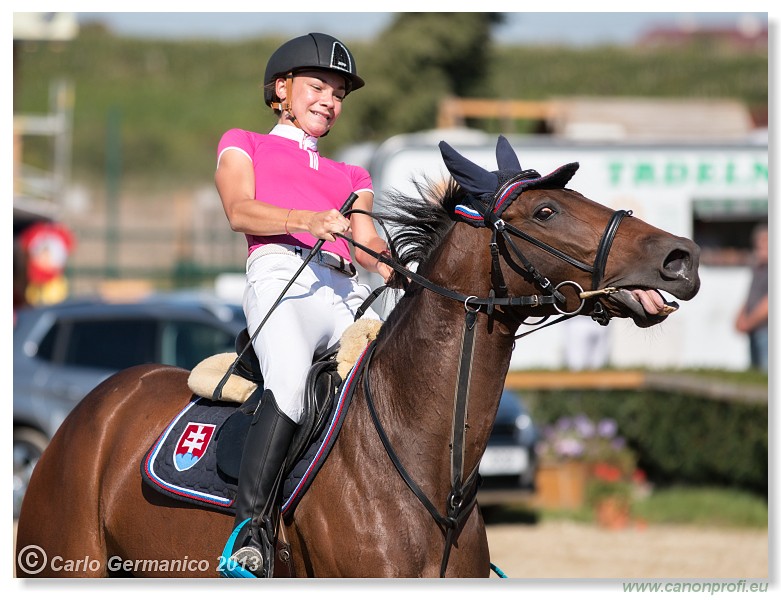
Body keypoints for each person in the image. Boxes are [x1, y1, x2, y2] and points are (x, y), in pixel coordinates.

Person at [215, 32, 393, 576]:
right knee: (290, 383)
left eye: (338, 94)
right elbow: (240, 211)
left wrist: (399, 267)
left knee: (399, 387)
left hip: (345, 291)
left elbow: (367, 246)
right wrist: (306, 221)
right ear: (281, 90)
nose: (329, 101)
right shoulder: (243, 141)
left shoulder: (352, 175)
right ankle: (250, 530)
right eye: (318, 87)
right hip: (281, 276)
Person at [734, 223, 769, 372]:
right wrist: (740, 318)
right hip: (756, 330)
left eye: (764, 242)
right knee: (756, 374)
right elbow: (750, 297)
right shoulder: (759, 267)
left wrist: (748, 322)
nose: (759, 246)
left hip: (766, 330)